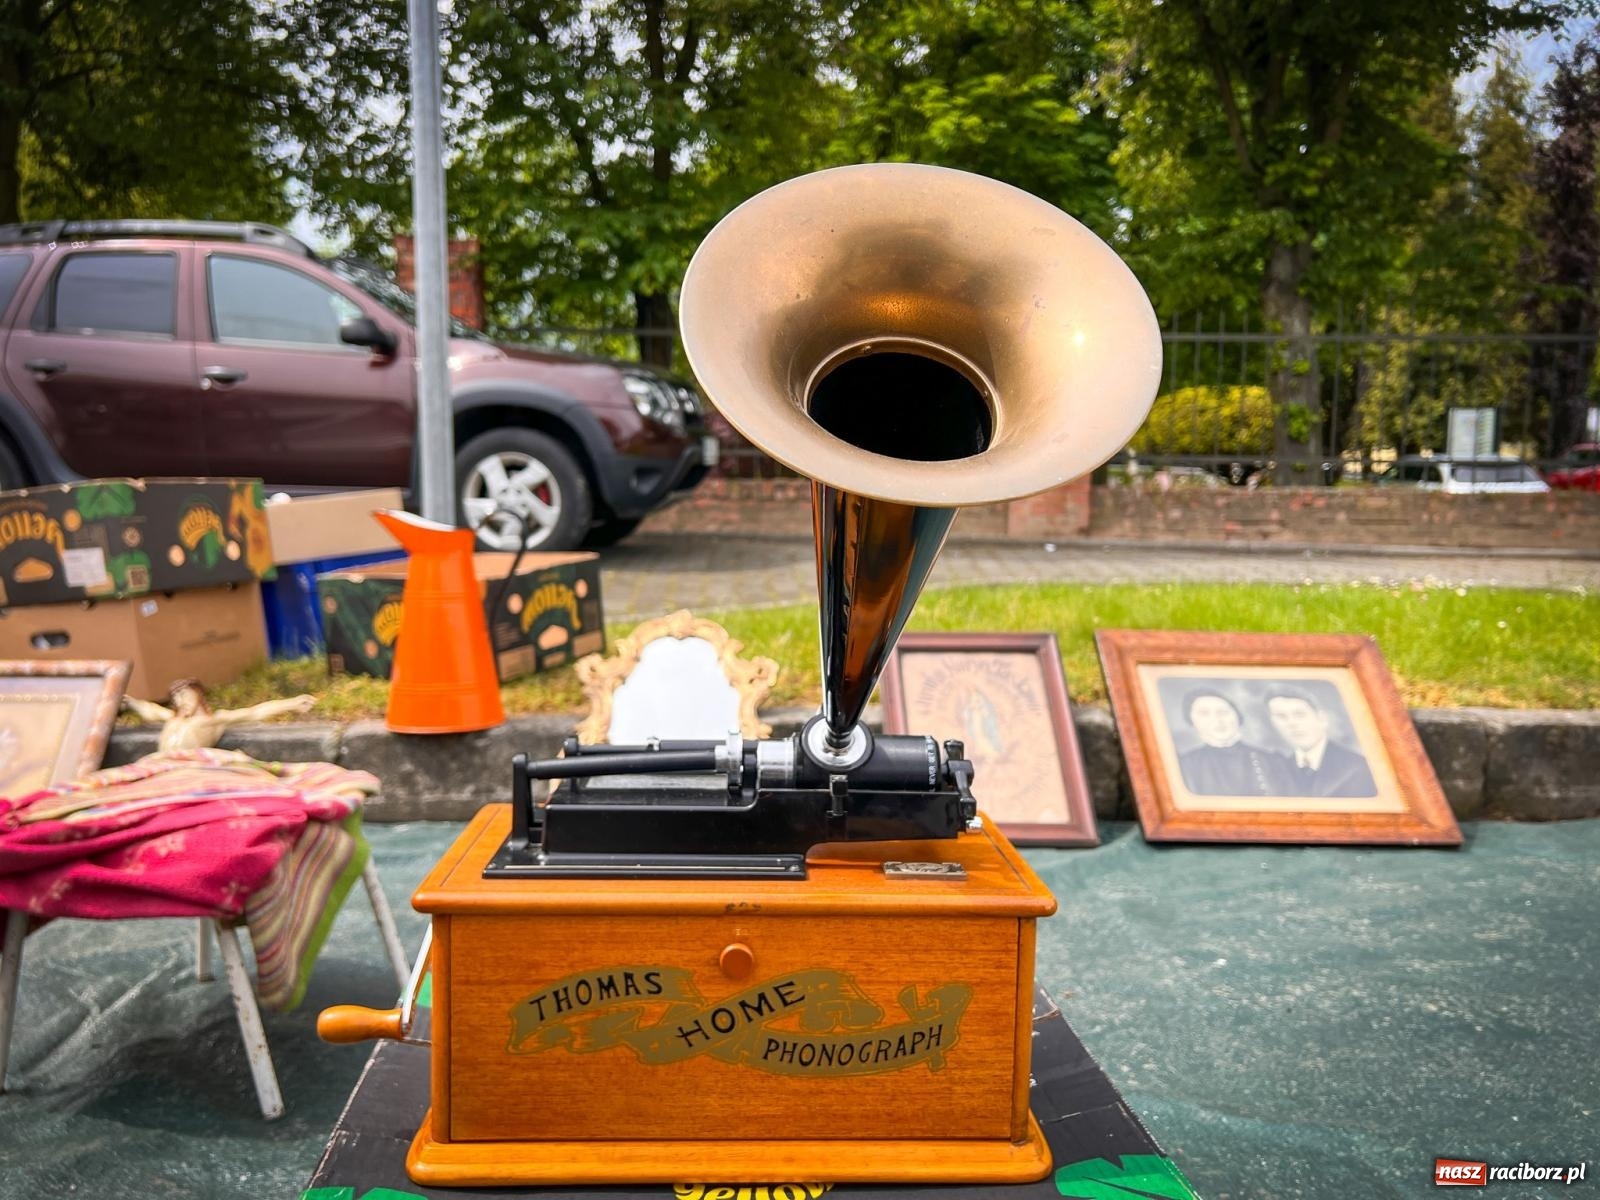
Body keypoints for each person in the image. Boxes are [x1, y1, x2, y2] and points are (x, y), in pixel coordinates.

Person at [1263, 686, 1378, 798]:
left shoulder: (1358, 767)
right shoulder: (1278, 769)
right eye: (1281, 717)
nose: (1292, 723)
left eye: (1299, 714)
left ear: (1322, 719)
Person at [1176, 688, 1293, 796]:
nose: (1217, 720)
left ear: (1237, 716)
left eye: (1223, 712)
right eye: (1204, 714)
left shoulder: (1273, 761)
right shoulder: (1184, 766)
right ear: (1191, 721)